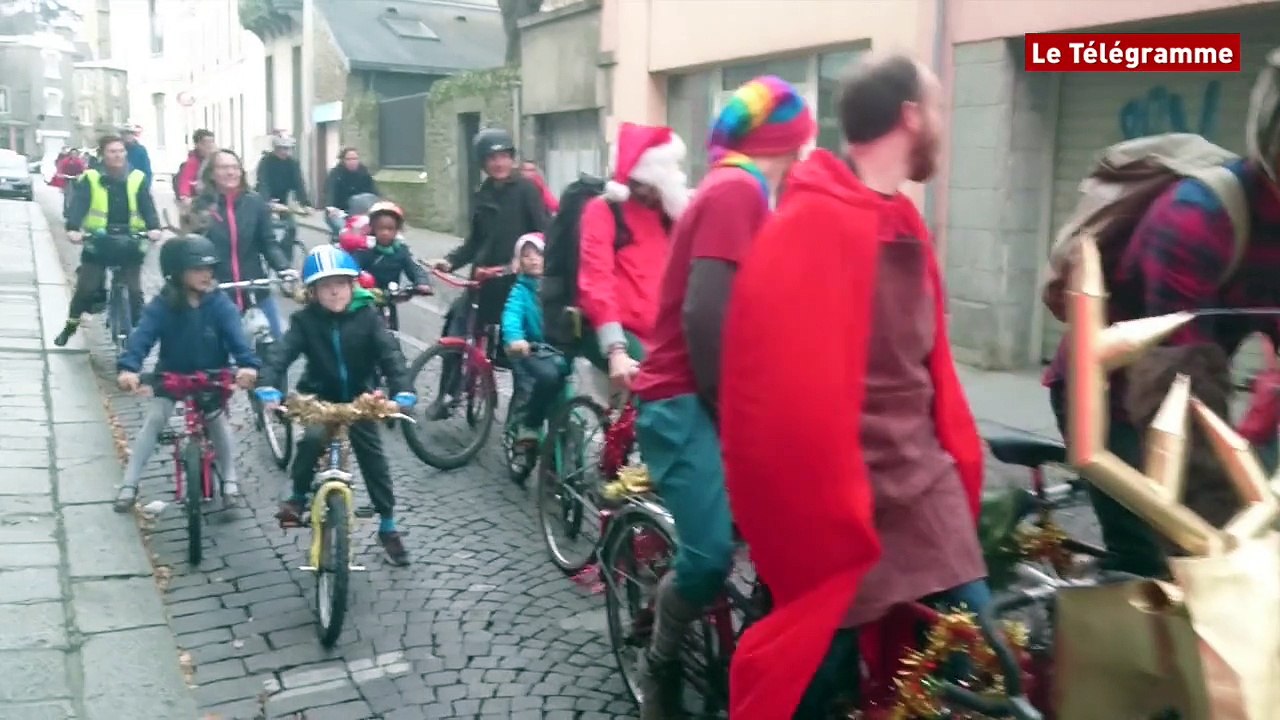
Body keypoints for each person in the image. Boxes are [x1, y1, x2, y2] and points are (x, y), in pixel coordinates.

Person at [718, 55, 989, 719]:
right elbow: (768, 395)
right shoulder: (808, 225)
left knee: (977, 650)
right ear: (910, 117)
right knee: (817, 680)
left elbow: (927, 368)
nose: (944, 129)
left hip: (923, 483)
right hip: (842, 502)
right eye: (939, 110)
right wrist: (819, 507)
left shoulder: (904, 222)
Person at [1041, 51, 1280, 579]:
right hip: (1115, 393)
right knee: (1166, 560)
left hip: (1188, 385)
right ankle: (1088, 651)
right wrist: (1226, 535)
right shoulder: (1197, 217)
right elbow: (1177, 393)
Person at [625, 76, 816, 719]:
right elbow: (707, 319)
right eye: (801, 147)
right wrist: (733, 411)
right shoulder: (736, 190)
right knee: (707, 559)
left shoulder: (739, 188)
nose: (804, 160)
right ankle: (662, 660)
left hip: (715, 397)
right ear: (784, 144)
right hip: (682, 402)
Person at [254, 245, 416, 566]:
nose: (334, 291)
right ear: (312, 292)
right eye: (325, 286)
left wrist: (404, 390)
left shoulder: (368, 318)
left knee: (373, 458)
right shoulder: (304, 322)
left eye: (340, 283)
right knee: (312, 439)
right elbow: (281, 354)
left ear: (352, 285)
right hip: (319, 398)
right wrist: (268, 384)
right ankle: (298, 496)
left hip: (361, 399)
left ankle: (388, 524)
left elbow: (391, 355)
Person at [113, 235, 261, 512]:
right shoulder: (162, 305)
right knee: (155, 418)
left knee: (217, 422)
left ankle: (230, 481)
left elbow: (237, 340)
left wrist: (247, 364)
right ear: (176, 272)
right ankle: (129, 484)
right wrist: (129, 368)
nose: (207, 275)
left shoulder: (220, 305)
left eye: (210, 269)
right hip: (172, 375)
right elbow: (141, 337)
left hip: (212, 376)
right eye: (197, 269)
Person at [424, 128, 550, 417]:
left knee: (520, 347)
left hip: (515, 284)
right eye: (492, 158)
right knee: (456, 326)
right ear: (483, 163)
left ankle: (523, 418)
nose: (499, 163)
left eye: (504, 156)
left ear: (511, 159)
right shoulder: (482, 195)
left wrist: (526, 263)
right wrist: (450, 261)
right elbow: (475, 242)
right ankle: (448, 394)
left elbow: (543, 232)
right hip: (484, 281)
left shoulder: (527, 190)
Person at [578, 122, 689, 388]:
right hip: (621, 331)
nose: (647, 193)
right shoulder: (604, 210)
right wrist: (616, 349)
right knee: (654, 394)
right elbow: (597, 279)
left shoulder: (672, 214)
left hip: (666, 334)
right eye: (641, 184)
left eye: (653, 185)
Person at [54, 135, 163, 347]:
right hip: (98, 241)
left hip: (130, 240)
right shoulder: (91, 177)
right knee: (87, 287)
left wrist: (154, 228)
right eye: (112, 151)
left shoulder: (136, 177)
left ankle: (139, 333)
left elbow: (146, 205)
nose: (117, 155)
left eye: (121, 151)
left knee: (134, 291)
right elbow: (79, 205)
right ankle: (70, 325)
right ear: (103, 154)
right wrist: (73, 229)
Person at [190, 149, 296, 339]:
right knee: (216, 351)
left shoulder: (254, 202)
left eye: (234, 167)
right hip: (216, 291)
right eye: (223, 168)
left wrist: (284, 268)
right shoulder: (201, 206)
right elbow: (193, 250)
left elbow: (268, 243)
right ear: (212, 174)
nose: (230, 172)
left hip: (255, 288)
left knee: (276, 345)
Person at [501, 232, 569, 447]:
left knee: (567, 390)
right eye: (526, 255)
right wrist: (515, 339)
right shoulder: (520, 291)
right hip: (530, 349)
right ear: (519, 262)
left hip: (557, 348)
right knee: (541, 382)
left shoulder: (559, 286)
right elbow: (511, 315)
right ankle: (527, 424)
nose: (533, 259)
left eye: (538, 253)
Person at [348, 201, 432, 295]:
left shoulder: (401, 250)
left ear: (397, 230)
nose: (385, 233)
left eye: (390, 229)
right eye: (381, 228)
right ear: (373, 228)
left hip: (391, 294)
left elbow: (414, 268)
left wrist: (422, 282)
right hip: (366, 295)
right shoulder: (364, 249)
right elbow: (352, 269)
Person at [256, 134, 311, 250]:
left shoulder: (293, 163)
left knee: (291, 227)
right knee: (265, 228)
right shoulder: (266, 162)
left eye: (288, 149)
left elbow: (298, 184)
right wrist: (267, 202)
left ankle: (285, 259)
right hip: (265, 200)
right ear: (276, 148)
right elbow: (263, 183)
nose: (286, 152)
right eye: (283, 148)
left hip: (282, 202)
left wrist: (305, 204)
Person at [324, 147, 378, 232]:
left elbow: (374, 191)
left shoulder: (364, 172)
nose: (352, 162)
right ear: (342, 160)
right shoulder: (335, 174)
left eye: (355, 159)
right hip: (340, 211)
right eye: (349, 159)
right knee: (344, 230)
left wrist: (382, 203)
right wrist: (331, 207)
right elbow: (330, 191)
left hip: (359, 212)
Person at [176, 129, 216, 224]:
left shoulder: (218, 159)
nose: (209, 146)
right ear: (197, 145)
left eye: (211, 142)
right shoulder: (192, 162)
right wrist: (185, 197)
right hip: (200, 202)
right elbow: (185, 180)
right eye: (205, 143)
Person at [118, 122, 153, 187]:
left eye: (130, 133)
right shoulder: (117, 149)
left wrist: (146, 187)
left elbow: (147, 171)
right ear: (121, 135)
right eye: (125, 133)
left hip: (137, 186)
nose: (127, 136)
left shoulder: (140, 150)